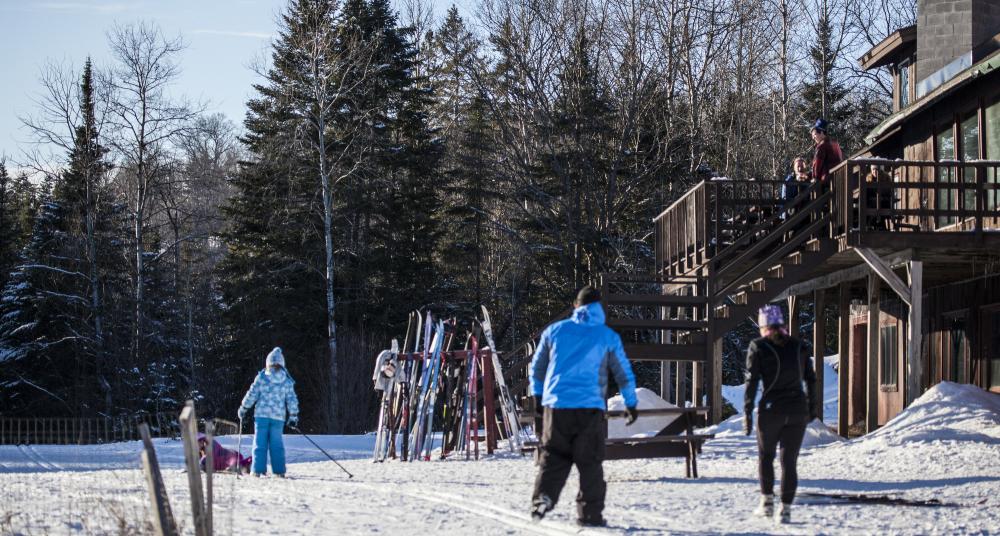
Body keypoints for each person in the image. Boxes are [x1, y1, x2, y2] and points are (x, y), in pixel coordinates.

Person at [528, 286, 639, 527]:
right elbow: (623, 372)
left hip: (556, 406)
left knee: (554, 456)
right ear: (599, 308)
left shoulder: (555, 331)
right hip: (589, 408)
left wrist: (536, 395)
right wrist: (631, 402)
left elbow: (537, 367)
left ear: (576, 306)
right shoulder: (607, 336)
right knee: (590, 463)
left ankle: (543, 498)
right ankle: (590, 514)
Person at [743, 305, 818, 524]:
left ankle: (766, 504)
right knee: (789, 461)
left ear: (763, 325)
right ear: (782, 323)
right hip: (797, 410)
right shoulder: (799, 346)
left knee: (766, 456)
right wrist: (812, 408)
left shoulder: (758, 346)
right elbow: (811, 379)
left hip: (771, 410)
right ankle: (785, 509)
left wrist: (748, 411)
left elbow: (752, 380)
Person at [238, 347, 300, 477]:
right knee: (276, 445)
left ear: (268, 363)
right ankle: (279, 471)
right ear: (282, 364)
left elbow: (252, 394)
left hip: (261, 416)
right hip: (278, 418)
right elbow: (291, 399)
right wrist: (293, 415)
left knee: (260, 443)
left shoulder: (261, 378)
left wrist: (244, 408)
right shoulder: (286, 381)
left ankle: (257, 470)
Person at [810, 119, 843, 183]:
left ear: (822, 132)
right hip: (839, 178)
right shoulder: (835, 144)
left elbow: (817, 164)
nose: (813, 138)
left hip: (827, 181)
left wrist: (814, 178)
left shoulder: (821, 146)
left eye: (815, 134)